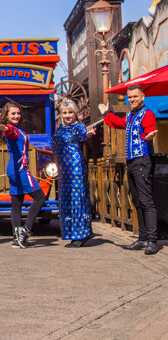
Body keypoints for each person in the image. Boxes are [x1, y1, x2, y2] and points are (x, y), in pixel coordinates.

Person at [100, 85, 159, 255]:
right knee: (138, 202)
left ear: (142, 97)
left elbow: (149, 130)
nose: (132, 99)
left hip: (142, 160)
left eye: (135, 96)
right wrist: (106, 114)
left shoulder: (147, 114)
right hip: (132, 162)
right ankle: (142, 237)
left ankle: (152, 240)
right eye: (130, 97)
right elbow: (117, 123)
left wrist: (149, 136)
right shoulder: (130, 116)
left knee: (146, 201)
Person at [0, 102, 46, 249]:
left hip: (14, 168)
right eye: (13, 114)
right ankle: (25, 231)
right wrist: (5, 127)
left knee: (16, 203)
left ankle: (17, 238)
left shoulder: (18, 129)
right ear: (7, 116)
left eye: (18, 113)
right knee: (40, 197)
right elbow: (9, 131)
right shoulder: (12, 130)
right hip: (20, 169)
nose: (16, 116)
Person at [53, 100, 95, 247]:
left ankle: (82, 233)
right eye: (65, 113)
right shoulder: (59, 128)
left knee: (77, 199)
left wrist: (88, 132)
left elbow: (84, 134)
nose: (67, 115)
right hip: (64, 169)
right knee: (66, 200)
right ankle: (71, 233)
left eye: (70, 112)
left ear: (75, 113)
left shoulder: (78, 127)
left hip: (75, 168)